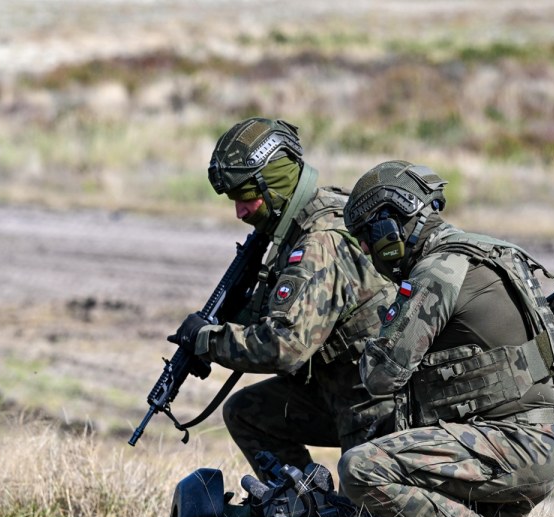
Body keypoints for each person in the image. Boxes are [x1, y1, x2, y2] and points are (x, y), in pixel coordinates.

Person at [336, 160, 554, 517]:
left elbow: (380, 376)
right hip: (537, 440)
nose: (364, 248)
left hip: (512, 445)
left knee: (362, 470)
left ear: (390, 224)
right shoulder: (488, 251)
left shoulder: (438, 271)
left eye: (366, 235)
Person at [168, 118, 396, 475]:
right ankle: (302, 508)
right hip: (343, 392)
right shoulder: (310, 217)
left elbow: (284, 347)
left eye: (245, 196)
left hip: (376, 406)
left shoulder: (318, 242)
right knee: (248, 412)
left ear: (273, 185)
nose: (240, 211)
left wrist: (207, 341)